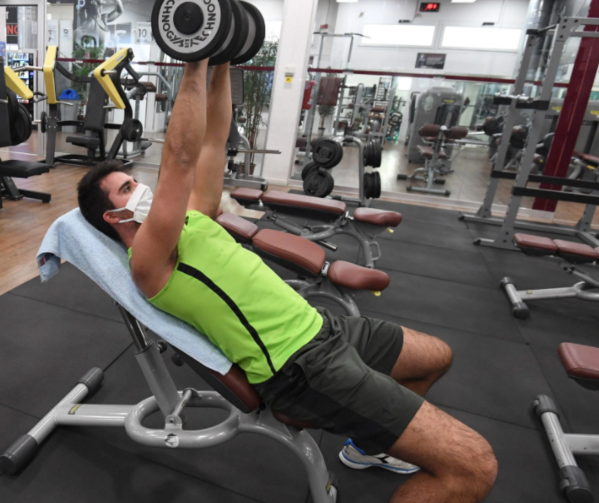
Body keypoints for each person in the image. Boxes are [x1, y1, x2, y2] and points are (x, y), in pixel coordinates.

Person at [77, 60, 497, 503]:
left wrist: (222, 63)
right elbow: (180, 158)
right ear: (114, 217)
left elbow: (213, 142)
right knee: (473, 467)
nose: (141, 188)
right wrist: (195, 61)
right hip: (298, 368)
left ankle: (368, 447)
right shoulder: (148, 261)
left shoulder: (193, 217)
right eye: (127, 189)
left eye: (134, 180)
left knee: (435, 356)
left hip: (322, 326)